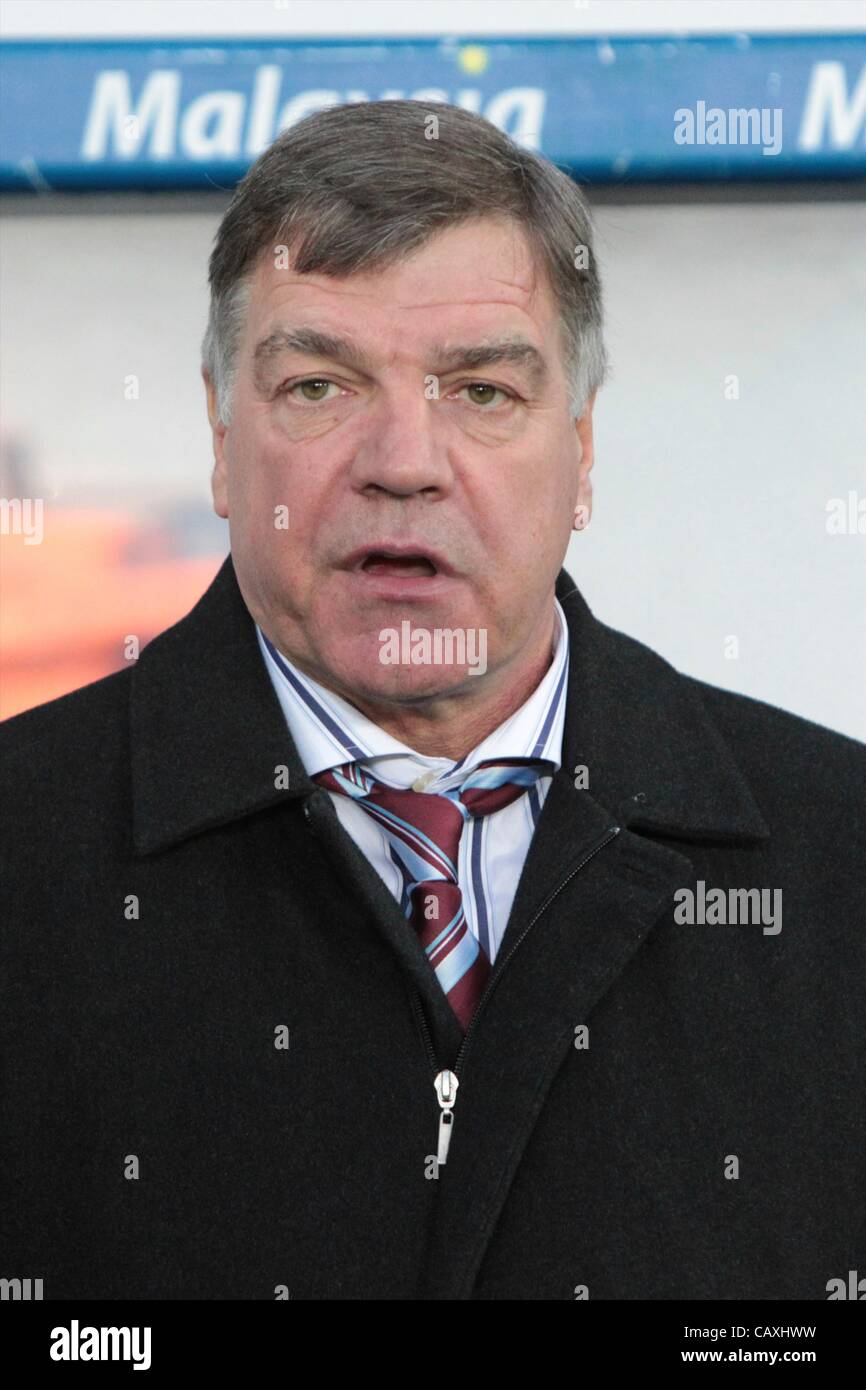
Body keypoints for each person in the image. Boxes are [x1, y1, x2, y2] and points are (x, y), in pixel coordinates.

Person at [2, 100, 863, 1302]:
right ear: (217, 429)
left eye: (482, 392)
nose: (403, 460)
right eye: (317, 386)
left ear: (580, 445)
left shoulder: (838, 858)